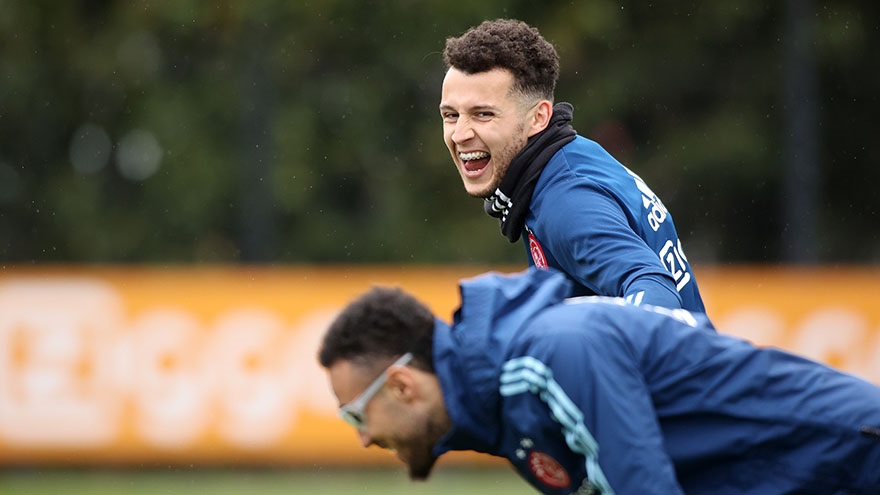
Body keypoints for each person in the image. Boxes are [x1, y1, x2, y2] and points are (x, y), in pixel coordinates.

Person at [318, 268, 880, 494]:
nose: (363, 439)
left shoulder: (553, 352)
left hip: (851, 464)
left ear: (402, 384)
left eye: (355, 415)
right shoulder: (504, 412)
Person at [439, 19, 705, 313]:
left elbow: (655, 291)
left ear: (538, 118)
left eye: (483, 114)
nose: (459, 134)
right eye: (450, 115)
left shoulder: (565, 200)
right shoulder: (568, 159)